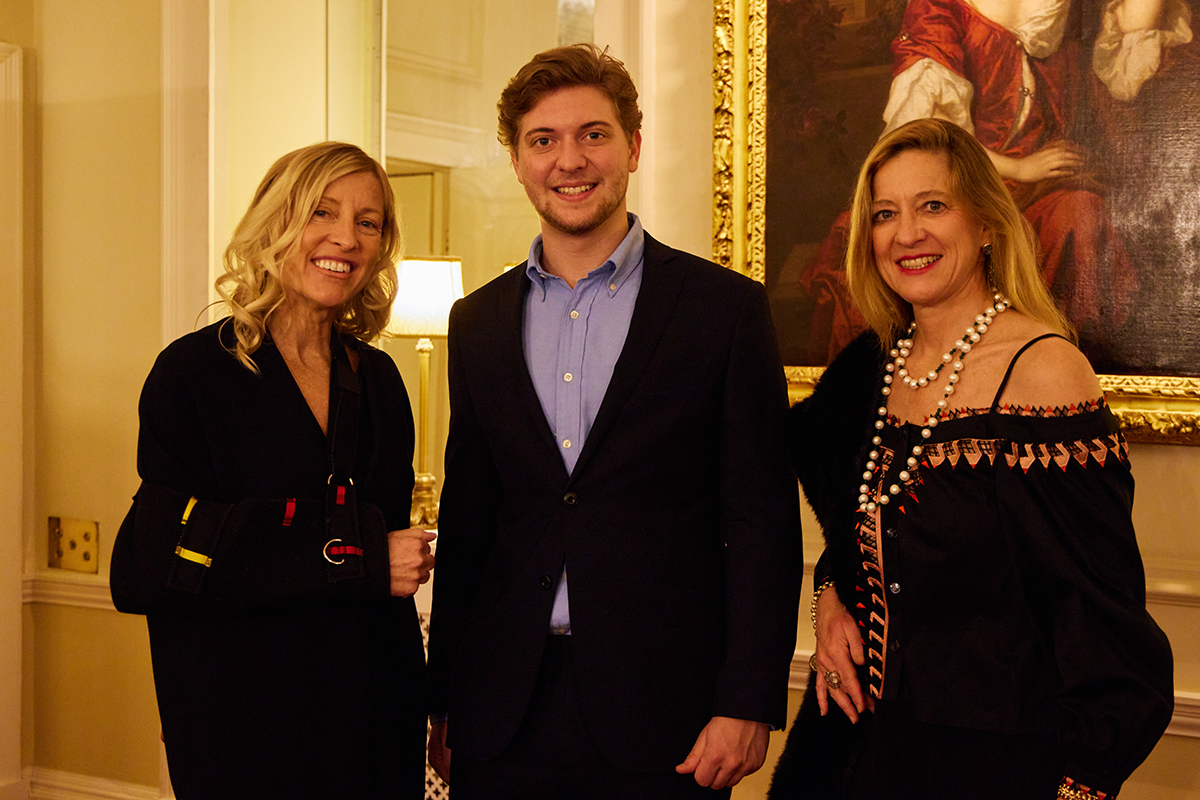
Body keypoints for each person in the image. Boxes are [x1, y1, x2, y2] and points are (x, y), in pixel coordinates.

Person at [425, 44, 801, 800]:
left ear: (633, 145)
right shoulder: (477, 323)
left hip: (668, 714)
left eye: (593, 134)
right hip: (503, 713)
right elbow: (471, 524)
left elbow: (761, 520)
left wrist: (746, 700)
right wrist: (445, 703)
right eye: (544, 140)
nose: (570, 159)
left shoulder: (723, 310)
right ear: (517, 158)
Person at [768, 118, 1173, 799]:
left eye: (933, 206)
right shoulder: (870, 365)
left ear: (986, 224)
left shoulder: (1044, 373)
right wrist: (830, 595)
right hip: (853, 755)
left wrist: (1082, 783)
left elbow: (1103, 624)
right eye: (886, 214)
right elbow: (857, 513)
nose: (907, 233)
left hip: (995, 766)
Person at [110, 141, 435, 799]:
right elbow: (156, 561)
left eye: (368, 222)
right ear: (276, 223)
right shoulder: (194, 374)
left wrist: (425, 709)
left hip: (373, 722)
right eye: (322, 212)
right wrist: (360, 553)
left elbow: (392, 580)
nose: (345, 237)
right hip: (242, 727)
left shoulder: (379, 380)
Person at [793, 0, 1193, 365]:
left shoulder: (1067, 10)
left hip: (1041, 185)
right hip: (956, 181)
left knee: (1080, 216)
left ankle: (1057, 365)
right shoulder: (937, 7)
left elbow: (1125, 77)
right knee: (861, 237)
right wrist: (1019, 168)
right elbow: (925, 135)